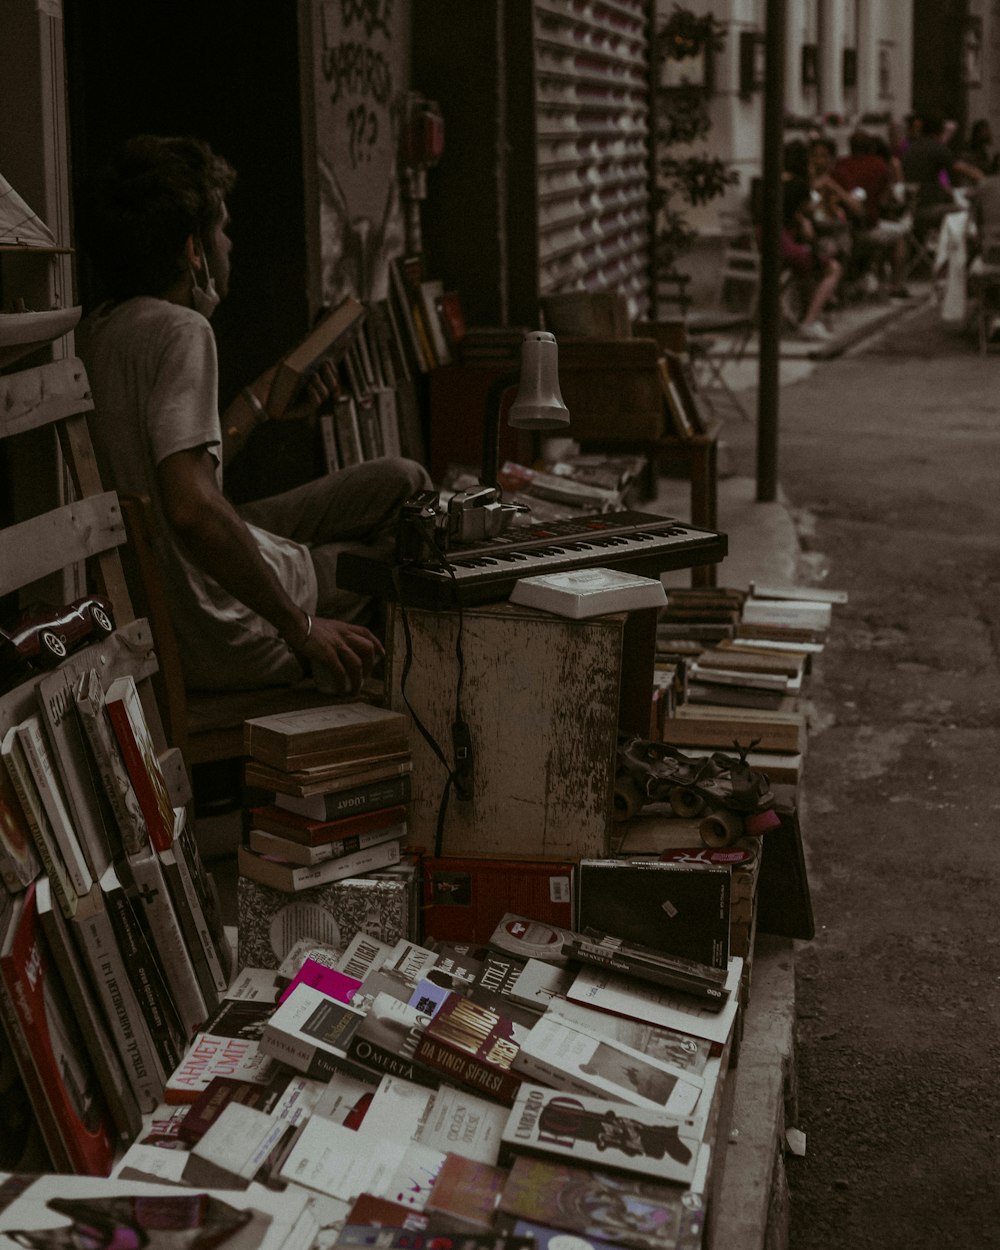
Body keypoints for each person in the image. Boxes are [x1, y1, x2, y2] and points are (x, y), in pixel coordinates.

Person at [78, 135, 431, 695]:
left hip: (172, 585)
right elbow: (192, 507)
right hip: (223, 626)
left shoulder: (100, 330)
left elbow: (183, 475)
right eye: (222, 229)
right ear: (193, 250)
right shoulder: (182, 330)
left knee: (398, 480)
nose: (229, 243)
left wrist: (265, 402)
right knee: (403, 543)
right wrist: (301, 627)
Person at [833, 129, 911, 298]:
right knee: (899, 236)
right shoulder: (879, 165)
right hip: (867, 225)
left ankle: (867, 277)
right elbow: (886, 198)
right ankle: (896, 285)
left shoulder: (840, 164)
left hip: (846, 225)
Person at [781, 140, 843, 341]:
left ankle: (803, 315)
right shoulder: (800, 185)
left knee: (809, 266)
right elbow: (811, 213)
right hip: (783, 244)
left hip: (763, 240)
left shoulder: (771, 181)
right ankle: (810, 321)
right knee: (832, 267)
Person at [901, 113, 982, 236]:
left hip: (911, 209)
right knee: (968, 211)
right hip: (929, 208)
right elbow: (961, 168)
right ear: (940, 131)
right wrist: (984, 178)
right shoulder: (936, 148)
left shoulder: (911, 149)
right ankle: (960, 251)